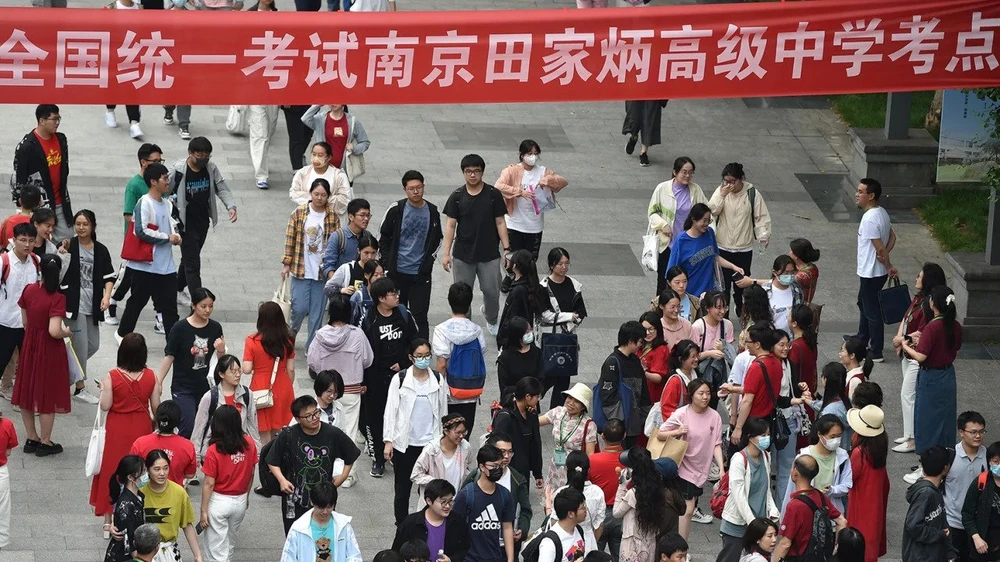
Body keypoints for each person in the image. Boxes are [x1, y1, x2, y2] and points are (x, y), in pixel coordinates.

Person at [90, 333, 159, 529]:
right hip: (142, 427)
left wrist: (103, 388)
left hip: (117, 428)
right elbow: (156, 406)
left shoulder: (112, 376)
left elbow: (105, 405)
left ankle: (108, 520)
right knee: (140, 470)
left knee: (111, 470)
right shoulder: (151, 376)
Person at [267, 396, 362, 534]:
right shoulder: (289, 435)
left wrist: (343, 476)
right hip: (294, 498)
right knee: (295, 536)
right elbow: (272, 460)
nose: (314, 418)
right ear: (298, 419)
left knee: (323, 537)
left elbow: (351, 454)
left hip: (323, 499)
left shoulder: (332, 433)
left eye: (316, 413)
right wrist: (282, 480)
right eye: (308, 416)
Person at [442, 154, 511, 337]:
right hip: (463, 255)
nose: (472, 175)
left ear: (482, 172)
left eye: (476, 171)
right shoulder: (457, 197)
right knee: (462, 294)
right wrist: (446, 253)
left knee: (491, 292)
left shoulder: (493, 194)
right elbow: (450, 225)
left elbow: (500, 222)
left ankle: (492, 317)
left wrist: (506, 249)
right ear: (463, 173)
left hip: (489, 254)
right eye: (468, 171)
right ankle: (465, 325)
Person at [113, 163, 183, 342]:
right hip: (145, 265)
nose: (168, 182)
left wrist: (176, 235)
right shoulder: (144, 202)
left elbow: (173, 224)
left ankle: (173, 343)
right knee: (137, 302)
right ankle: (122, 334)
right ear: (153, 181)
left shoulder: (167, 203)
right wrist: (167, 237)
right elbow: (141, 231)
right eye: (165, 178)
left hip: (166, 267)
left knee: (169, 307)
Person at [308, 293, 373, 482]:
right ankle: (347, 474)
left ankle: (322, 466)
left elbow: (312, 361)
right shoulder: (357, 334)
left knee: (323, 430)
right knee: (349, 432)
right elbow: (368, 360)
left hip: (326, 389)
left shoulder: (320, 335)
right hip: (351, 390)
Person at [11, 253, 71, 457]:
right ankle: (45, 441)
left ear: (40, 270)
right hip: (49, 350)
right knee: (47, 395)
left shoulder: (29, 290)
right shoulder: (58, 298)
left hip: (30, 346)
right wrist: (67, 332)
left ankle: (31, 438)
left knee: (27, 392)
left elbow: (25, 322)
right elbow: (55, 330)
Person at [383, 339, 449, 524]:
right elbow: (391, 410)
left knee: (430, 488)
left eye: (427, 355)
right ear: (411, 357)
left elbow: (443, 410)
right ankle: (402, 524)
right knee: (402, 489)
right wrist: (389, 440)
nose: (423, 359)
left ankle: (427, 522)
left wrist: (444, 440)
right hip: (405, 444)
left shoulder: (437, 379)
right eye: (419, 356)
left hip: (430, 443)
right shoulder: (401, 379)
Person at [902, 286, 963, 479]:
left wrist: (906, 346)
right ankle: (945, 461)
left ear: (933, 304)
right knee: (944, 421)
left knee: (926, 422)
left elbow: (920, 356)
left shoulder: (932, 327)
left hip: (930, 377)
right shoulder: (954, 326)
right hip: (947, 375)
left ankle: (926, 467)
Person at [168, 137, 237, 302]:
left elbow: (221, 187)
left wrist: (231, 206)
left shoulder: (210, 168)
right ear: (190, 154)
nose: (204, 160)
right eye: (200, 156)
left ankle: (176, 289)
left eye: (207, 156)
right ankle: (197, 301)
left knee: (190, 257)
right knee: (193, 264)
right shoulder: (178, 170)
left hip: (202, 222)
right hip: (185, 223)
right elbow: (165, 190)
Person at [362, 277, 418, 477]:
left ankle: (396, 453)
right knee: (375, 419)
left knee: (401, 416)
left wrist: (404, 362)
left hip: (401, 377)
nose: (397, 296)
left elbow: (416, 341)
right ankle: (378, 458)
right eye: (392, 293)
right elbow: (363, 350)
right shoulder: (369, 319)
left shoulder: (403, 314)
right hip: (376, 378)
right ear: (380, 298)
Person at [379, 170, 444, 339]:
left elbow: (438, 238)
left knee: (420, 316)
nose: (416, 192)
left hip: (420, 274)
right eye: (411, 188)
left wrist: (429, 261)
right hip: (397, 272)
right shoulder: (396, 210)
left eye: (419, 187)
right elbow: (383, 236)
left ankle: (421, 349)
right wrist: (386, 263)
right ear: (404, 189)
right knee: (395, 313)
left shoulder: (432, 211)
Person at [659, 378, 725, 538]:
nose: (705, 397)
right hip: (683, 467)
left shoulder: (715, 416)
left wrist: (722, 468)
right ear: (691, 395)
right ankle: (681, 548)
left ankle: (678, 545)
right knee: (687, 510)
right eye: (701, 393)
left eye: (708, 393)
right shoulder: (682, 413)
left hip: (701, 469)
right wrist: (677, 431)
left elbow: (716, 443)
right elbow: (660, 433)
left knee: (685, 509)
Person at [891, 262, 946, 454]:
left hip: (917, 357)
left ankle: (914, 438)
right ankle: (909, 433)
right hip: (907, 352)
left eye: (920, 276)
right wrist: (900, 339)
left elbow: (920, 335)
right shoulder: (919, 299)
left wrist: (900, 340)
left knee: (909, 395)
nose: (916, 278)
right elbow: (906, 319)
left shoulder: (930, 305)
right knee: (908, 395)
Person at [157, 287, 225, 439]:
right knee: (187, 426)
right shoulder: (180, 328)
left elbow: (221, 361)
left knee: (206, 428)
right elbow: (169, 356)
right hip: (183, 388)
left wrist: (221, 351)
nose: (208, 310)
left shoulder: (215, 328)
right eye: (203, 306)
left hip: (206, 387)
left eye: (211, 306)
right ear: (193, 305)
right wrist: (159, 381)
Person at [61, 209, 114, 404]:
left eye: (85, 224)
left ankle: (61, 376)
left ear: (93, 226)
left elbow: (109, 277)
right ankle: (79, 388)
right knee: (81, 346)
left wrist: (106, 297)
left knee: (93, 345)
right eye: (78, 224)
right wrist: (61, 254)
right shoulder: (68, 246)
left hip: (93, 304)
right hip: (73, 304)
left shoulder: (100, 250)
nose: (81, 228)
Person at [282, 178, 341, 349]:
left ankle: (312, 347)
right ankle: (291, 334)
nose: (319, 198)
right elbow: (290, 238)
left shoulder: (332, 216)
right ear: (310, 194)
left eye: (323, 195)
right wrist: (287, 262)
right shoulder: (299, 213)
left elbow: (335, 242)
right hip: (301, 268)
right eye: (316, 194)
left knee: (317, 313)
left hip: (322, 272)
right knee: (298, 308)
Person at [707, 163, 771, 317]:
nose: (729, 185)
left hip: (743, 248)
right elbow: (712, 210)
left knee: (741, 284)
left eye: (732, 181)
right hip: (723, 245)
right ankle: (724, 315)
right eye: (726, 181)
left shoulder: (752, 193)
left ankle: (742, 312)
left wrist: (763, 235)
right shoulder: (721, 191)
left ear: (741, 179)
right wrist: (721, 195)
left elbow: (761, 217)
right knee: (723, 285)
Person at [107, 146, 160, 326]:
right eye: (155, 161)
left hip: (154, 242)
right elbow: (128, 214)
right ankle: (111, 301)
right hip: (136, 241)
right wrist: (146, 223)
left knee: (153, 278)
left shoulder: (158, 182)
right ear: (144, 162)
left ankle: (160, 314)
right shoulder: (135, 185)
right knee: (127, 275)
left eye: (161, 161)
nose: (159, 165)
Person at [199, 404, 258, 562]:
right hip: (240, 499)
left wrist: (203, 510)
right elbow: (251, 473)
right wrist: (246, 496)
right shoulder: (249, 444)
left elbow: (209, 483)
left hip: (218, 501)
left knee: (215, 550)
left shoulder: (214, 449)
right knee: (229, 546)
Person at [493, 140, 569, 261]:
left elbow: (563, 181)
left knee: (530, 262)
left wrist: (548, 180)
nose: (533, 157)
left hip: (534, 225)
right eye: (529, 153)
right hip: (514, 224)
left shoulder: (542, 171)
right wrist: (519, 192)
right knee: (514, 261)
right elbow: (498, 186)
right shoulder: (512, 170)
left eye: (535, 153)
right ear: (522, 155)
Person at [716, 418, 778, 562]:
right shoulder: (739, 459)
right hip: (737, 523)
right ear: (750, 437)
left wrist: (773, 510)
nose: (766, 438)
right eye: (762, 435)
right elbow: (738, 495)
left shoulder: (766, 456)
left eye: (768, 434)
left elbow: (766, 489)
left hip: (758, 522)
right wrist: (753, 523)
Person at [851, 178, 898, 362]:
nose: (857, 194)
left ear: (871, 196)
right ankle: (861, 339)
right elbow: (892, 237)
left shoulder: (870, 219)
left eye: (861, 192)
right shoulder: (882, 213)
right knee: (863, 304)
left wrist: (888, 263)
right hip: (874, 271)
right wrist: (886, 253)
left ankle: (876, 350)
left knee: (871, 311)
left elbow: (879, 248)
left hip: (871, 272)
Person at [12, 104, 73, 242]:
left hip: (60, 202)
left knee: (67, 239)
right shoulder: (27, 146)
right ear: (42, 120)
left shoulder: (61, 139)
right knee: (37, 242)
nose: (57, 123)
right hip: (38, 205)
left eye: (59, 118)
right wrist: (22, 207)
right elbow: (18, 179)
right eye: (54, 119)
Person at [432, 282, 487, 434]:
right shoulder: (476, 331)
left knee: (448, 434)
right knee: (464, 435)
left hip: (450, 392)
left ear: (450, 302)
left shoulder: (441, 330)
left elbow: (442, 364)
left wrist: (438, 388)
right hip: (471, 391)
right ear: (469, 304)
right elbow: (482, 353)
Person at [461, 433, 533, 548]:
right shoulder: (475, 476)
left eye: (510, 452)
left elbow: (526, 510)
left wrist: (522, 530)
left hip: (506, 545)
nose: (506, 456)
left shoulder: (518, 479)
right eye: (502, 452)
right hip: (477, 545)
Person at [648, 159, 708, 296]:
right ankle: (660, 311)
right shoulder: (662, 189)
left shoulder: (695, 190)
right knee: (664, 280)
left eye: (691, 173)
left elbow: (707, 210)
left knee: (685, 281)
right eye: (684, 172)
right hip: (668, 245)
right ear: (675, 172)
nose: (688, 176)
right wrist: (663, 225)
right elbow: (652, 212)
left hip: (688, 245)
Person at [772, 455, 847, 562]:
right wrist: (836, 548)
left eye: (792, 467)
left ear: (796, 473)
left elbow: (785, 543)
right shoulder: (819, 495)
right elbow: (842, 521)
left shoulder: (794, 506)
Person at [615, 449, 685, 562]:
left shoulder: (660, 497)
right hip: (660, 547)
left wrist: (622, 486)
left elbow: (616, 513)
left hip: (654, 549)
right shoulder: (672, 494)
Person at [538, 247, 587, 407]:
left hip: (568, 338)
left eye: (567, 263)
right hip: (549, 338)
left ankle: (557, 412)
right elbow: (543, 314)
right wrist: (569, 316)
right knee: (547, 374)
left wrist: (572, 320)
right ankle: (533, 401)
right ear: (551, 265)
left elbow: (581, 312)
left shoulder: (574, 285)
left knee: (564, 377)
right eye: (560, 264)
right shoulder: (543, 287)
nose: (564, 267)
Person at [243, 301, 296, 446]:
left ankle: (265, 461)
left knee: (262, 430)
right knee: (277, 428)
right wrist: (287, 385)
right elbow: (291, 369)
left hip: (260, 386)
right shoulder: (288, 341)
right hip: (282, 385)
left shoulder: (252, 341)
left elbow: (246, 369)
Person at [191, 355, 261, 463]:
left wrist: (257, 451)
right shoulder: (210, 397)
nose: (237, 375)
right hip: (217, 451)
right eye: (233, 371)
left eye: (239, 370)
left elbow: (252, 424)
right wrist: (196, 456)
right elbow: (199, 428)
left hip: (239, 451)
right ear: (221, 374)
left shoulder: (247, 395)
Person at [667, 203, 745, 299]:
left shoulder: (709, 233)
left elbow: (715, 257)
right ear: (694, 219)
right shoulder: (681, 241)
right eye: (704, 220)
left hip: (709, 292)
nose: (707, 224)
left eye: (709, 220)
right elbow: (671, 271)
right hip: (690, 294)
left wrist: (733, 267)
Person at [779, 415, 852, 516]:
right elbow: (791, 489)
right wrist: (785, 518)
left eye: (839, 436)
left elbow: (847, 485)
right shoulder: (804, 456)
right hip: (807, 513)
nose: (836, 440)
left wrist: (832, 490)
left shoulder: (842, 456)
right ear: (819, 434)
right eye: (832, 437)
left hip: (832, 514)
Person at [0, 223, 40, 405]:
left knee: (27, 362)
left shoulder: (36, 262)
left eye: (31, 241)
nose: (27, 244)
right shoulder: (3, 262)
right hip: (5, 321)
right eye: (23, 240)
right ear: (13, 240)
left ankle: (20, 394)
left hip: (27, 324)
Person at [454, 444, 516, 562]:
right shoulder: (467, 495)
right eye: (493, 466)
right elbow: (455, 527)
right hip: (470, 558)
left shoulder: (505, 495)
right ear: (482, 467)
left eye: (500, 465)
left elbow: (507, 527)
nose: (498, 469)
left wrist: (510, 559)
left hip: (495, 557)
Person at [140, 449, 203, 562]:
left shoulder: (179, 492)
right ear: (148, 470)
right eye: (157, 469)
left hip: (169, 552)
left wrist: (197, 554)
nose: (162, 473)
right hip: (143, 553)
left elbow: (187, 524)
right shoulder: (140, 493)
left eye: (165, 468)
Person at [538, 384, 597, 501]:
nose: (571, 403)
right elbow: (535, 422)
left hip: (574, 471)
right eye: (570, 398)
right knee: (551, 501)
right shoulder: (558, 412)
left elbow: (590, 455)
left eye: (577, 401)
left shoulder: (589, 425)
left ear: (583, 406)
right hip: (555, 468)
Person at [844, 405, 888, 562]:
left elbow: (850, 478)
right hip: (875, 505)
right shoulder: (880, 447)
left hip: (861, 504)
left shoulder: (859, 452)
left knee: (857, 545)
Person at [392, 478, 472, 562]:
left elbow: (466, 548)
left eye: (450, 501)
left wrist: (451, 560)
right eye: (443, 502)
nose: (448, 506)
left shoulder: (457, 522)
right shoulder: (410, 523)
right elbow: (396, 553)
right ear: (429, 501)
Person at [281, 481, 362, 562]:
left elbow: (354, 555)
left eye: (329, 507)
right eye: (321, 507)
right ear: (312, 502)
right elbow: (288, 557)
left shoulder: (343, 525)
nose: (325, 512)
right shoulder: (299, 528)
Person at [944, 411, 988, 562]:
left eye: (982, 432)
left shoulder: (989, 458)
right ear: (961, 432)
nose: (978, 436)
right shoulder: (949, 456)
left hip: (978, 526)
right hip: (952, 524)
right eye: (973, 432)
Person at [730, 324, 782, 447]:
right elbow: (760, 389)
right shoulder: (777, 363)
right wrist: (733, 389)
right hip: (767, 421)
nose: (746, 344)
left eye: (748, 341)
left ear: (757, 344)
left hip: (753, 422)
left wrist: (738, 428)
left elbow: (747, 400)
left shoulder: (756, 367)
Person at [598, 321, 649, 446]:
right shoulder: (612, 362)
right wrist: (618, 424)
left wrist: (643, 416)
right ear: (631, 341)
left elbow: (643, 390)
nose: (641, 345)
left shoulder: (635, 360)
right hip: (620, 427)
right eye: (640, 341)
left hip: (634, 422)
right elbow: (607, 397)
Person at [903, 445, 955, 562]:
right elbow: (913, 525)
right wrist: (939, 534)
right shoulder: (926, 493)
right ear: (945, 468)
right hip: (921, 556)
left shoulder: (935, 489)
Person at [546, 451, 606, 551]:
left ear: (567, 469)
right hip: (588, 542)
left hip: (565, 544)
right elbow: (599, 525)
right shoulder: (597, 492)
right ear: (588, 470)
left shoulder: (561, 492)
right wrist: (591, 540)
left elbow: (554, 522)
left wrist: (548, 504)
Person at [492, 377, 544, 489]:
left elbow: (535, 444)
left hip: (523, 472)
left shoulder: (532, 415)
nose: (538, 400)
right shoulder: (505, 417)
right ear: (528, 397)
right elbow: (495, 444)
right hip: (505, 470)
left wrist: (537, 473)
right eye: (537, 397)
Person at [129, 401, 197, 487]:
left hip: (145, 496)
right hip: (175, 496)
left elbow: (131, 470)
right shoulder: (188, 446)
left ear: (157, 419)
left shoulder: (140, 443)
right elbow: (190, 474)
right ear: (178, 420)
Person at [412, 413, 475, 502]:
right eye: (458, 433)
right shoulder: (431, 450)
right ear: (446, 431)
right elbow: (416, 474)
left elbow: (467, 466)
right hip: (435, 503)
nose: (461, 436)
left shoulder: (465, 447)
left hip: (456, 502)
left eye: (464, 432)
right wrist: (437, 484)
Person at [302, 104, 371, 183]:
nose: (333, 103)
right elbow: (305, 118)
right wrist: (317, 105)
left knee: (342, 194)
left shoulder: (352, 121)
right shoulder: (320, 119)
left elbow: (365, 142)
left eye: (337, 99)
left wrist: (354, 148)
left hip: (344, 170)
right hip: (323, 167)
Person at [735, 256, 802, 336]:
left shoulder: (797, 290)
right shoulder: (763, 292)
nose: (789, 276)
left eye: (792, 273)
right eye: (786, 273)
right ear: (774, 272)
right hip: (770, 339)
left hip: (792, 338)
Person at [691, 290, 736, 409]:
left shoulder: (727, 325)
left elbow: (732, 355)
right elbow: (692, 357)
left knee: (713, 404)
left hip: (719, 373)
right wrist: (709, 353)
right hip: (701, 372)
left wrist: (724, 348)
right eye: (718, 308)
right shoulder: (698, 326)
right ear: (707, 308)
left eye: (724, 307)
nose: (722, 311)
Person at [289, 142, 352, 226]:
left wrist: (324, 201)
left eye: (320, 155)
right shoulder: (302, 173)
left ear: (329, 157)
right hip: (306, 219)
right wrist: (315, 201)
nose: (316, 158)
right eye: (314, 154)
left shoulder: (339, 175)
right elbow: (294, 193)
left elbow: (345, 199)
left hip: (331, 222)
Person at [589, 419, 625, 561]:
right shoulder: (630, 461)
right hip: (622, 513)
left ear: (602, 436)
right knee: (621, 555)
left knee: (595, 556)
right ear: (624, 436)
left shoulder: (592, 460)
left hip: (599, 514)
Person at [497, 249, 547, 350]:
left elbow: (510, 317)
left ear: (514, 266)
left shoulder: (518, 291)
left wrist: (501, 340)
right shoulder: (535, 286)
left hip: (516, 344)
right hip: (530, 340)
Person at [104, 455, 146, 562]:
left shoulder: (139, 496)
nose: (146, 475)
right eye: (143, 473)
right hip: (123, 557)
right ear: (131, 477)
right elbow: (129, 543)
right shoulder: (126, 505)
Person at [322, 199, 373, 281]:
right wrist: (338, 284)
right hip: (342, 287)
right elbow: (328, 266)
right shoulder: (338, 237)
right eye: (362, 215)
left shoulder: (368, 236)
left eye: (368, 215)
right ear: (351, 217)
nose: (366, 219)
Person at [537, 487, 591, 562]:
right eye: (582, 507)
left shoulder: (578, 529)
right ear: (570, 514)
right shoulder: (549, 543)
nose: (586, 510)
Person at [496, 317, 543, 397]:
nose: (530, 333)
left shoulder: (537, 352)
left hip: (532, 401)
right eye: (527, 332)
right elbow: (504, 387)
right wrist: (526, 390)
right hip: (512, 401)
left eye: (530, 330)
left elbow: (541, 378)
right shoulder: (505, 357)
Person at [656, 340, 699, 426]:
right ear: (681, 359)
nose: (696, 359)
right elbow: (667, 408)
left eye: (697, 355)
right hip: (679, 425)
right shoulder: (675, 380)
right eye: (693, 356)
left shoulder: (696, 374)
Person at [622, 99, 667, 168]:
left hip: (653, 92)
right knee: (634, 117)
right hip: (636, 91)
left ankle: (644, 152)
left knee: (649, 120)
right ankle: (634, 137)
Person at [638, 311, 670, 407]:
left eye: (651, 329)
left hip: (651, 398)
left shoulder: (661, 349)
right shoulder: (639, 345)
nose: (647, 333)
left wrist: (644, 372)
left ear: (658, 329)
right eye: (644, 329)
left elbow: (658, 378)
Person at [247, 99, 280, 190]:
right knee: (261, 136)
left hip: (273, 94)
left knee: (270, 130)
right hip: (255, 95)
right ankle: (261, 176)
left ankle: (258, 158)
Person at [787, 305, 818, 395]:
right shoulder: (811, 341)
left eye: (789, 316)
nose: (787, 318)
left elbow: (791, 371)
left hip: (799, 394)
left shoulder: (796, 346)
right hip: (808, 391)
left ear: (794, 323)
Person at [350, 258, 384, 326]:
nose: (379, 277)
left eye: (382, 274)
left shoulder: (387, 294)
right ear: (366, 275)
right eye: (376, 275)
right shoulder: (358, 297)